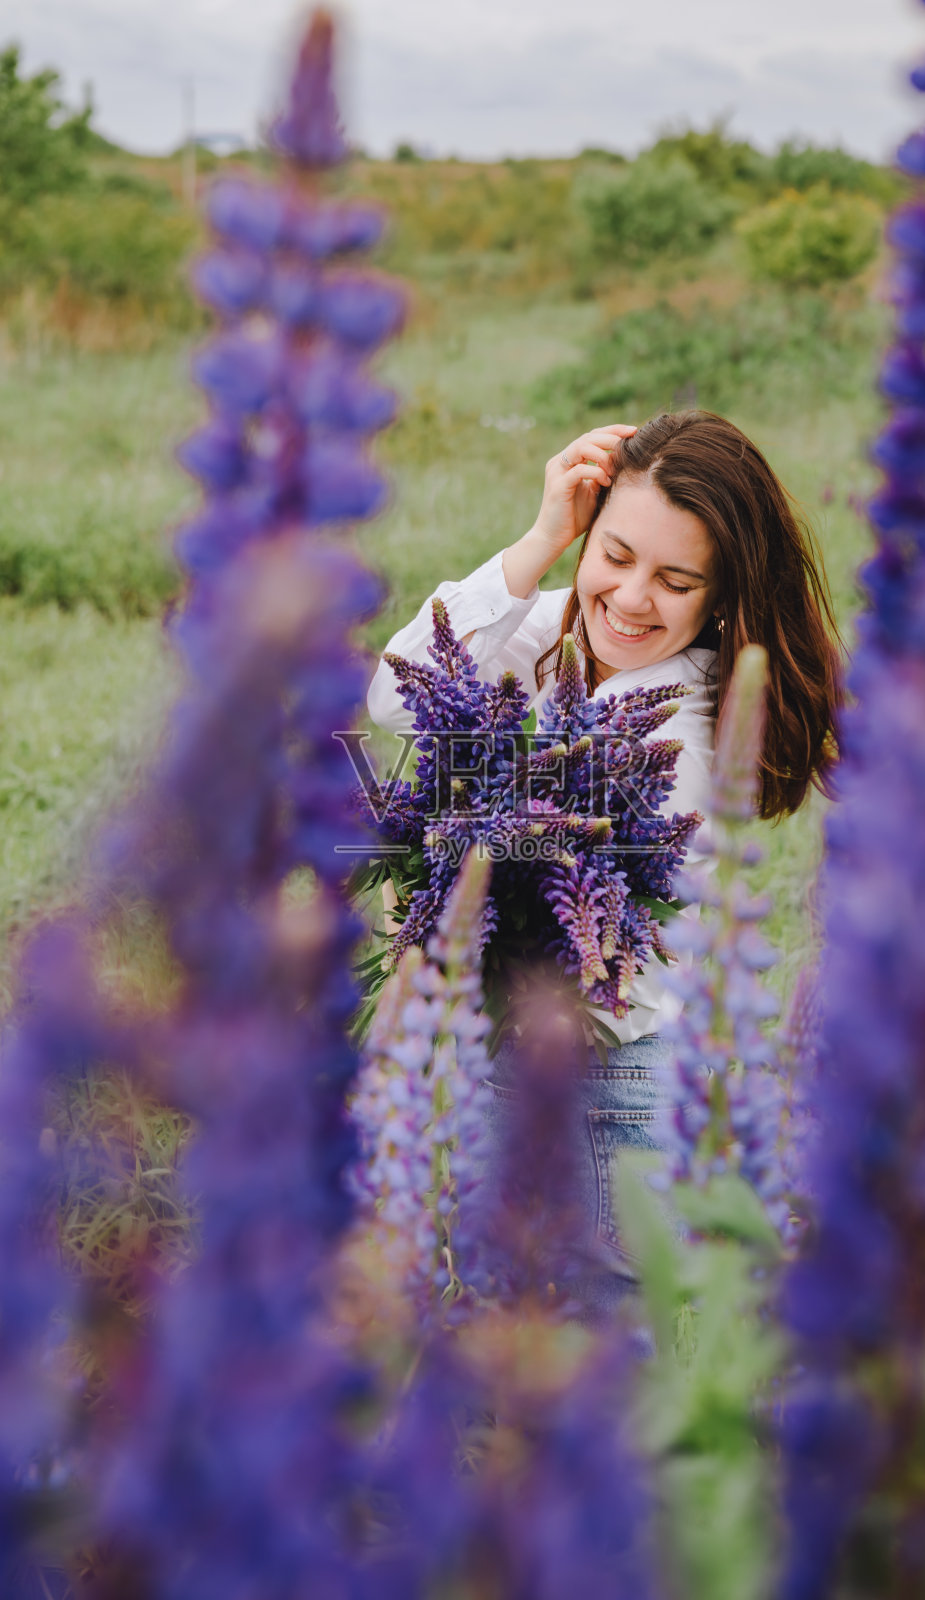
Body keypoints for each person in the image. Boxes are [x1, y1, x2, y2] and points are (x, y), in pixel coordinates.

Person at [366, 410, 842, 1290]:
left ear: (719, 597)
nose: (630, 599)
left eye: (674, 579)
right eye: (614, 556)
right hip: (514, 1053)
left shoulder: (690, 725)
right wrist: (542, 537)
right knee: (504, 1342)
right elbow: (398, 698)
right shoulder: (554, 636)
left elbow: (534, 849)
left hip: (611, 1083)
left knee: (592, 1357)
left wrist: (444, 836)